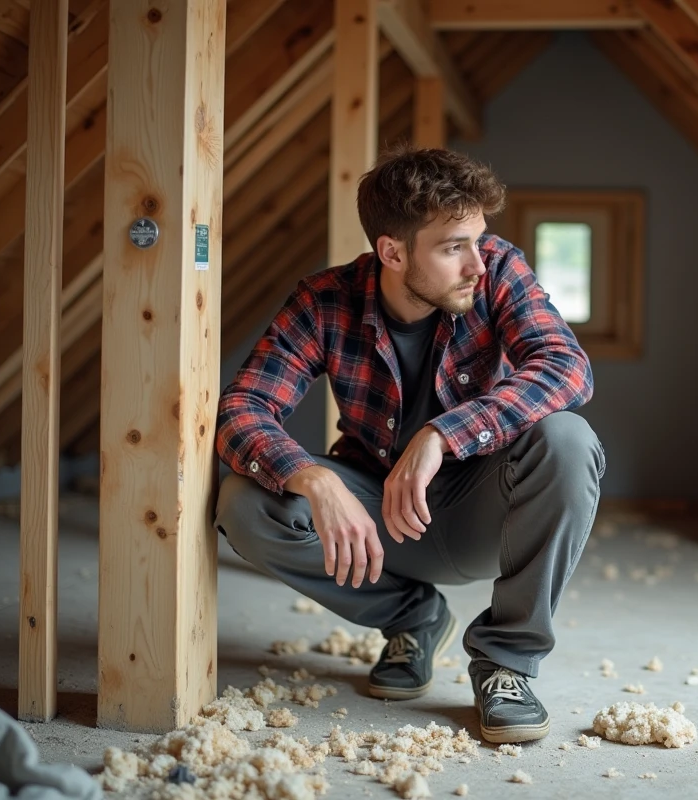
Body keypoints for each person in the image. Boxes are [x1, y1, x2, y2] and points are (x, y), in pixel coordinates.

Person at [212, 144, 606, 744]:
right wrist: (312, 477)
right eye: (453, 247)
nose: (476, 262)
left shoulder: (497, 269)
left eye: (478, 239)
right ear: (391, 252)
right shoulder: (325, 300)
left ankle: (507, 663)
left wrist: (442, 434)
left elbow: (566, 368)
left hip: (484, 510)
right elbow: (242, 408)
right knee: (245, 500)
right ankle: (413, 619)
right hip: (383, 522)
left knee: (567, 438)